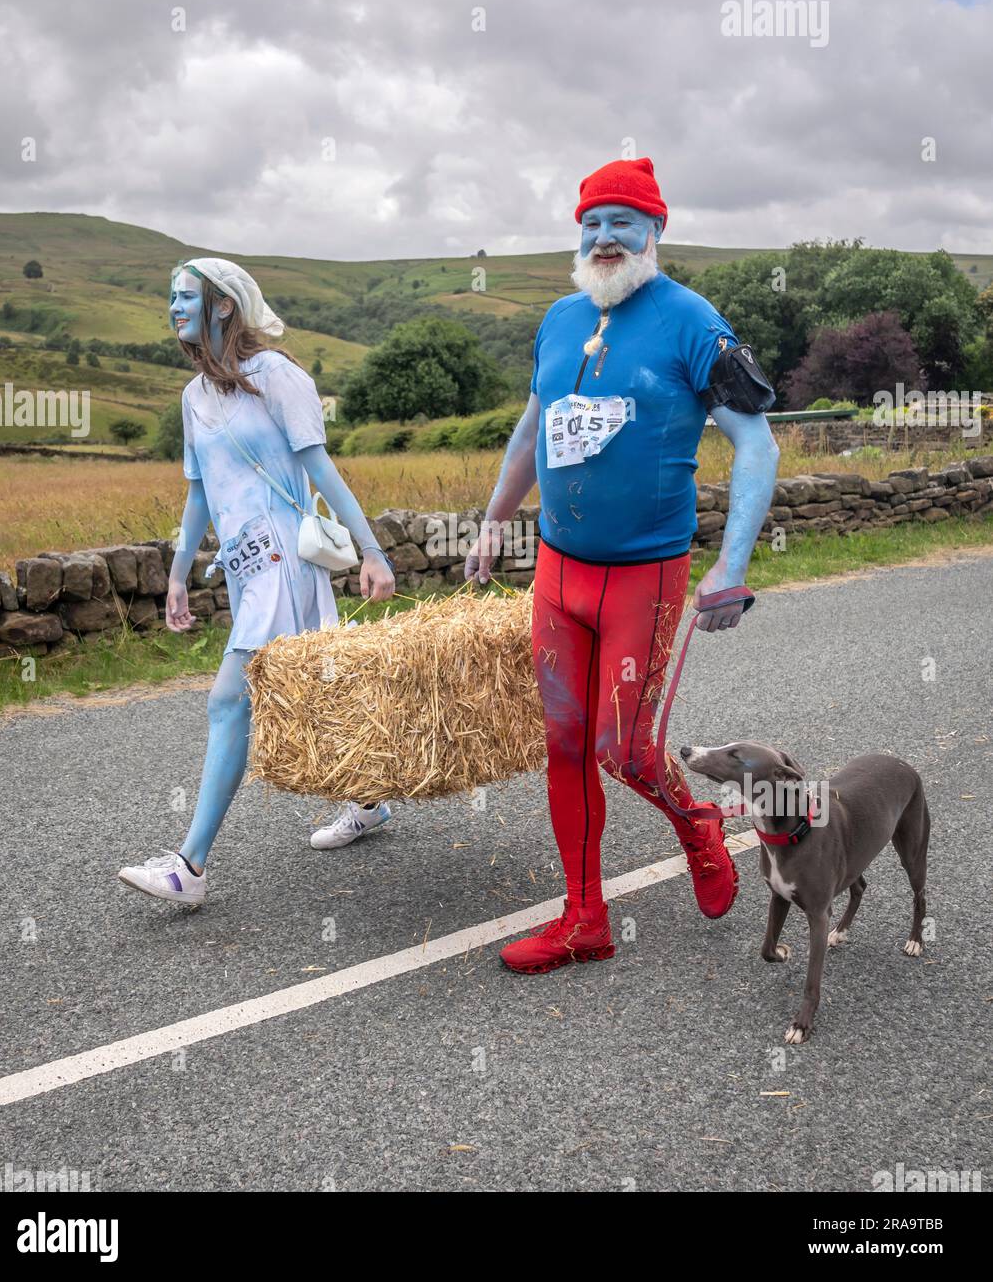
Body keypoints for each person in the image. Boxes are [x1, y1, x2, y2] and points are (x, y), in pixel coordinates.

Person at [465, 156, 780, 974]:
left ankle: (697, 825)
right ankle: (583, 919)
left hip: (645, 576)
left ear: (655, 231)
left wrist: (732, 565)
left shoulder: (692, 322)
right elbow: (532, 432)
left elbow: (757, 444)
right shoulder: (563, 319)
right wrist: (493, 524)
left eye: (621, 222)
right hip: (558, 571)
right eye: (591, 223)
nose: (605, 237)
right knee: (564, 742)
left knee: (625, 750)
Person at [118, 258, 397, 906]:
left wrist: (372, 552)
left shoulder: (276, 377)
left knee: (229, 700)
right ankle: (369, 802)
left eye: (185, 295)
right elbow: (199, 495)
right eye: (170, 296)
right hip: (244, 570)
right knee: (308, 696)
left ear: (223, 306)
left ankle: (189, 867)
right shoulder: (193, 398)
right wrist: (179, 574)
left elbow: (322, 472)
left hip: (286, 563)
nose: (174, 305)